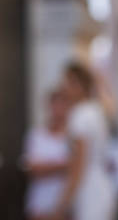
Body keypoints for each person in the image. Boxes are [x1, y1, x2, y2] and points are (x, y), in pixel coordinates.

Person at [50, 61, 118, 220]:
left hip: (90, 192)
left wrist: (62, 205)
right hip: (102, 187)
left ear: (78, 85)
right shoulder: (95, 110)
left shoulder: (80, 115)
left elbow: (78, 164)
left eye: (67, 82)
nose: (63, 87)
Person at [23, 89, 70, 220]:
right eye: (55, 104)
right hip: (39, 206)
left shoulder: (73, 137)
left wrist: (48, 166)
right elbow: (34, 169)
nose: (58, 110)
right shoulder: (36, 135)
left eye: (63, 105)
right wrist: (66, 165)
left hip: (64, 208)